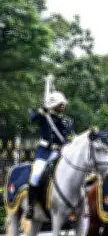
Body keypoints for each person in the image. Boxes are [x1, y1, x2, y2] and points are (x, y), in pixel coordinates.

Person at [27, 90, 74, 219]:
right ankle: (31, 206)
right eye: (60, 104)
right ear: (54, 105)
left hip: (60, 153)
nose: (63, 106)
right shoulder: (44, 116)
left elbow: (69, 138)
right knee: (36, 175)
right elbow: (32, 118)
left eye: (63, 103)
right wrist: (43, 109)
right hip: (44, 152)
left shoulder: (67, 121)